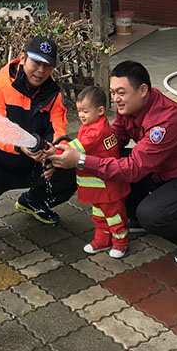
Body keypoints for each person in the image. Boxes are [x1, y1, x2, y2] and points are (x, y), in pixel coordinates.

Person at [48, 61, 177, 265]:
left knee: (151, 213)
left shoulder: (165, 122)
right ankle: (136, 214)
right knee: (107, 166)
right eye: (113, 92)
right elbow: (115, 138)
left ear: (143, 90)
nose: (116, 99)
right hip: (164, 169)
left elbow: (134, 169)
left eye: (121, 92)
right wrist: (75, 152)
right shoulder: (128, 108)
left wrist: (82, 160)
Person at [0, 36, 76, 245]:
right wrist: (19, 144)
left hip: (32, 164)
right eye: (36, 62)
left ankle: (32, 201)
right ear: (22, 59)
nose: (41, 70)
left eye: (47, 65)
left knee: (73, 167)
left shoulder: (53, 95)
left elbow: (58, 131)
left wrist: (55, 155)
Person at [68, 86, 131, 258]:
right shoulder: (92, 125)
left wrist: (56, 150)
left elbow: (77, 147)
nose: (81, 115)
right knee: (99, 214)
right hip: (99, 187)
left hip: (108, 186)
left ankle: (120, 242)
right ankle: (102, 241)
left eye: (85, 111)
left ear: (101, 110)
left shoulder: (96, 131)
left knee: (114, 216)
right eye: (79, 110)